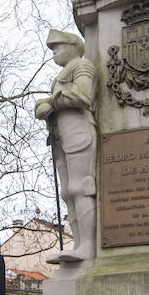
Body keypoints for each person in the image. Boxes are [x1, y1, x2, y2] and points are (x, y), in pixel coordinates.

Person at [33, 29, 98, 262]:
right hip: (61, 135)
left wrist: (49, 102)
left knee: (82, 187)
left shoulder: (82, 66)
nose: (55, 53)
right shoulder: (60, 76)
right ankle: (78, 243)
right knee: (68, 192)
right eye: (52, 49)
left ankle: (88, 246)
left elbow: (82, 95)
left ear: (73, 47)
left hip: (79, 130)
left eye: (58, 47)